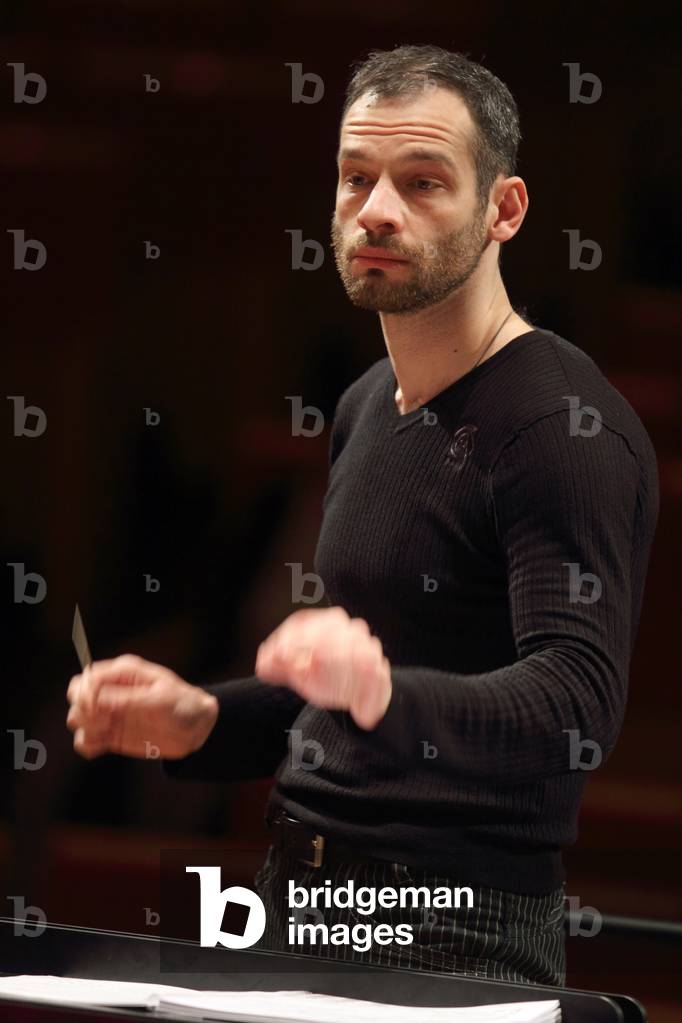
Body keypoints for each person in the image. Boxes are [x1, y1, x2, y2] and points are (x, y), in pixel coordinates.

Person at [66, 45, 659, 986]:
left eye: (423, 182)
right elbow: (346, 699)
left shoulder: (560, 426)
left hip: (461, 929)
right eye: (356, 179)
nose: (377, 209)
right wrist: (201, 719)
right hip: (295, 893)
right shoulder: (362, 405)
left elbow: (576, 703)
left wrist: (385, 692)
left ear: (504, 209)